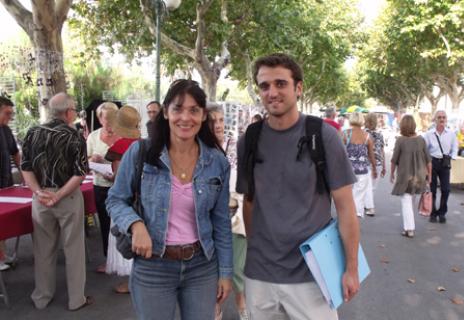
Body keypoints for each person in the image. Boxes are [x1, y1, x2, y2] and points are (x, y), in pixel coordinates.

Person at [237, 53, 360, 320]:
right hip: (260, 277)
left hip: (313, 276)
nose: (272, 92)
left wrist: (351, 268)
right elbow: (249, 201)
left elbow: (346, 208)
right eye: (265, 86)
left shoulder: (324, 137)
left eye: (281, 84)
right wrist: (256, 250)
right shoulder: (249, 140)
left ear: (299, 88)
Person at [106, 80, 232, 320]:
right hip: (153, 265)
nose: (186, 117)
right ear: (166, 112)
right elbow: (115, 200)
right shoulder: (141, 152)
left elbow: (222, 222)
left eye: (194, 110)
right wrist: (136, 224)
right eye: (178, 108)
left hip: (202, 267)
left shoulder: (217, 162)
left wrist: (225, 273)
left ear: (204, 115)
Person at [21, 93, 92, 310]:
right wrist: (58, 195)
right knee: (74, 249)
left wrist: (38, 192)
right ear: (68, 112)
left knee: (42, 250)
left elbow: (26, 167)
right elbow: (80, 173)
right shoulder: (74, 136)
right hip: (67, 197)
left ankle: (41, 296)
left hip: (40, 198)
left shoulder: (32, 133)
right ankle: (76, 299)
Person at [207, 105, 248, 320]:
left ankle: (242, 304)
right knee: (212, 265)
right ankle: (215, 307)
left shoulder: (236, 145)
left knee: (238, 264)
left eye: (221, 120)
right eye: (213, 121)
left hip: (237, 212)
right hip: (209, 215)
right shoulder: (200, 148)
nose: (218, 125)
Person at [104, 106, 141, 294]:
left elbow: (119, 178)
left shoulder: (118, 148)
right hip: (142, 199)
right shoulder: (144, 144)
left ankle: (130, 282)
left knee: (124, 239)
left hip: (125, 201)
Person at [86, 102, 119, 273]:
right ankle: (109, 259)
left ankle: (126, 261)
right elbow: (86, 161)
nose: (110, 122)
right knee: (105, 224)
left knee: (122, 223)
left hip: (120, 185)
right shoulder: (93, 136)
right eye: (107, 118)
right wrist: (94, 160)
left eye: (114, 117)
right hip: (100, 185)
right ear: (100, 119)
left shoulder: (123, 134)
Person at [390, 115, 432, 238]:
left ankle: (409, 229)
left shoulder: (400, 140)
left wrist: (392, 173)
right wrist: (429, 176)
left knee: (406, 202)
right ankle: (408, 226)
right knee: (410, 201)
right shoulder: (421, 140)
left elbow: (394, 160)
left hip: (405, 176)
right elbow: (428, 160)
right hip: (419, 176)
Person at [423, 110, 458, 223]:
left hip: (445, 163)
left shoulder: (451, 134)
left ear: (446, 119)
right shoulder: (429, 134)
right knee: (432, 190)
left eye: (444, 117)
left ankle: (442, 213)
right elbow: (424, 150)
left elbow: (455, 148)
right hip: (432, 162)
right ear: (435, 119)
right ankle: (433, 213)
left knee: (446, 189)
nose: (442, 119)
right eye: (439, 117)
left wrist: (451, 157)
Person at [0, 96, 21, 271]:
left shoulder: (6, 130)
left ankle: (2, 254)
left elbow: (15, 153)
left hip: (6, 182)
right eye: (7, 113)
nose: (9, 117)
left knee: (3, 222)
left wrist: (24, 173)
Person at [342, 112, 377, 218]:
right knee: (359, 195)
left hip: (347, 170)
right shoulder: (367, 136)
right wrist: (374, 168)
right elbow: (371, 155)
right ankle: (355, 215)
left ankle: (347, 214)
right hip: (362, 171)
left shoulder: (345, 134)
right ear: (362, 121)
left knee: (347, 194)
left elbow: (338, 151)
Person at [364, 112, 386, 216]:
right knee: (372, 186)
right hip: (378, 163)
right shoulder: (380, 134)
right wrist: (384, 165)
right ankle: (368, 206)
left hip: (366, 162)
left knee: (366, 185)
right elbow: (382, 151)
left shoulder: (363, 133)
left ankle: (368, 205)